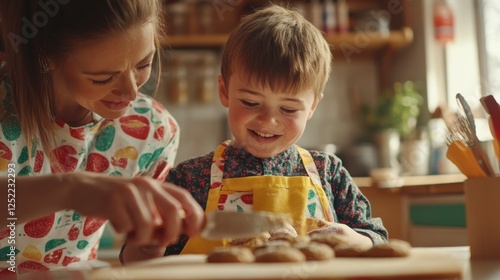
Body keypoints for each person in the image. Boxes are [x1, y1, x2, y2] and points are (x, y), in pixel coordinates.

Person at [121, 4, 388, 261]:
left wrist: (354, 239)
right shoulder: (189, 179)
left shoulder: (329, 173)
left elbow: (377, 238)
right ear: (224, 92)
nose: (268, 120)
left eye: (288, 109)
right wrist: (149, 244)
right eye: (250, 102)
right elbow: (134, 260)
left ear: (312, 107)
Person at [0, 0, 204, 274]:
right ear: (44, 55)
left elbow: (136, 260)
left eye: (144, 64)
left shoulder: (152, 130)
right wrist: (72, 189)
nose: (131, 92)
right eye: (103, 78)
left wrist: (146, 248)